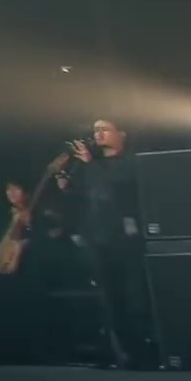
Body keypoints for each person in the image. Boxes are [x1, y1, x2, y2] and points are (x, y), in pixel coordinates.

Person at [67, 119, 149, 368]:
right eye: (95, 130)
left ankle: (143, 352)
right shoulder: (91, 165)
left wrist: (90, 164)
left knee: (134, 298)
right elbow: (76, 194)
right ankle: (117, 353)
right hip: (97, 240)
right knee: (109, 299)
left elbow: (115, 189)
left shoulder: (131, 163)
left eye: (104, 129)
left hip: (125, 240)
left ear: (121, 134)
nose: (98, 134)